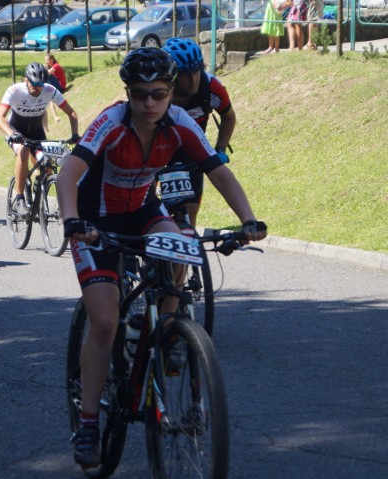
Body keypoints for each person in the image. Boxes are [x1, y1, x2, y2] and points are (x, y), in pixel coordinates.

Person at [57, 47, 266, 467]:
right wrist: (73, 221)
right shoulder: (111, 122)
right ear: (128, 93)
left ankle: (168, 328)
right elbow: (68, 173)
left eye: (157, 94)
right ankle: (90, 420)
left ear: (171, 92)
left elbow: (218, 170)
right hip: (96, 220)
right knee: (104, 319)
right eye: (139, 95)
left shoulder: (181, 122)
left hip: (140, 211)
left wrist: (248, 220)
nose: (148, 103)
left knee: (182, 240)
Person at [162, 37, 237, 227]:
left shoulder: (211, 87)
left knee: (189, 214)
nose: (194, 78)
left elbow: (228, 117)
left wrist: (220, 150)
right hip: (159, 152)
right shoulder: (157, 93)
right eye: (186, 74)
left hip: (192, 153)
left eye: (197, 70)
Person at [0, 62, 79, 217]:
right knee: (24, 150)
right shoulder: (14, 91)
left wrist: (75, 135)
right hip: (15, 130)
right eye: (33, 83)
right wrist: (11, 134)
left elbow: (72, 113)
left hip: (36, 132)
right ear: (25, 80)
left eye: (40, 84)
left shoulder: (50, 90)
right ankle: (19, 198)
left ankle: (39, 190)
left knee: (47, 165)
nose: (37, 87)